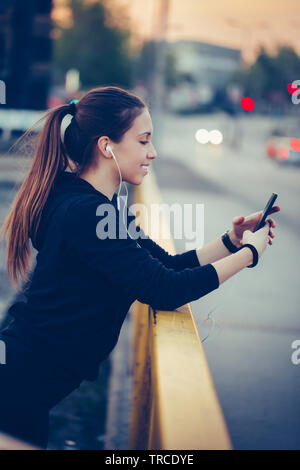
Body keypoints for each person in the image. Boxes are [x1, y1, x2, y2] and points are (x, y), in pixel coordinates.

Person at [0, 86, 279, 449]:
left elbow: (164, 266)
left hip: (23, 382)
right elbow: (165, 291)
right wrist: (250, 257)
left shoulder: (91, 204)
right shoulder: (87, 214)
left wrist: (231, 241)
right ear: (106, 146)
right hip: (17, 387)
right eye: (144, 140)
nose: (153, 152)